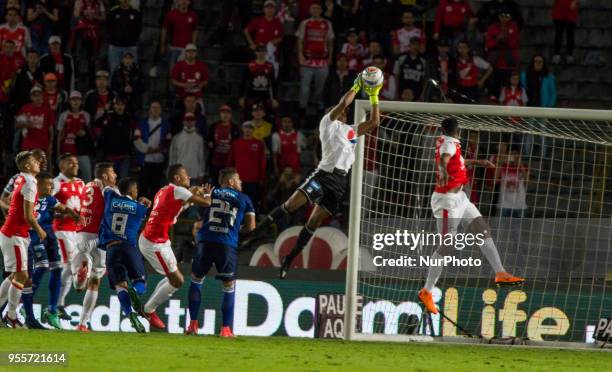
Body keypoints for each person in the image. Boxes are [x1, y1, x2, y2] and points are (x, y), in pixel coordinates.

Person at [244, 70, 381, 279]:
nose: (341, 113)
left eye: (341, 112)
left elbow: (374, 123)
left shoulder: (351, 131)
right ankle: (251, 235)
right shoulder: (327, 124)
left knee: (314, 223)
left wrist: (374, 95)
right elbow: (343, 104)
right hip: (322, 176)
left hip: (339, 182)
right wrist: (355, 87)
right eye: (338, 111)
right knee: (290, 205)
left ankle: (289, 259)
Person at [418, 118, 524, 315]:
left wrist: (479, 162)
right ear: (458, 130)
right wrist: (442, 172)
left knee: (482, 229)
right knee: (446, 246)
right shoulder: (448, 144)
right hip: (447, 200)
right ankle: (427, 290)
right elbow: (444, 160)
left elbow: (456, 160)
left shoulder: (446, 140)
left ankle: (500, 273)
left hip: (461, 198)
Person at [139, 164, 212, 330]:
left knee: (172, 277)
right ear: (177, 178)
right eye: (185, 175)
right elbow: (206, 203)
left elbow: (183, 200)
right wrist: (206, 194)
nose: (189, 177)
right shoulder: (179, 191)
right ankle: (148, 310)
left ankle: (149, 307)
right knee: (177, 280)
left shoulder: (164, 190)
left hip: (158, 239)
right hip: (154, 243)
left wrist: (194, 191)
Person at [186, 167, 256, 337]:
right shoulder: (244, 198)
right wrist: (237, 229)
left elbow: (191, 195)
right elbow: (252, 226)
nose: (241, 182)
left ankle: (192, 325)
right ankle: (225, 329)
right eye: (238, 179)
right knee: (228, 286)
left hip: (205, 241)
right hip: (226, 243)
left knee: (196, 280)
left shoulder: (213, 192)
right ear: (231, 181)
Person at [22, 172, 79, 329]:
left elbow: (62, 208)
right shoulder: (29, 198)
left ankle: (52, 310)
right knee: (42, 266)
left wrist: (75, 215)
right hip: (34, 236)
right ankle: (25, 301)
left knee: (57, 268)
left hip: (50, 237)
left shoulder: (50, 199)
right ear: (38, 185)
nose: (51, 186)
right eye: (48, 184)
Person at [98, 178, 151, 333]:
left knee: (120, 285)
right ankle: (135, 290)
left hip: (111, 250)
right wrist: (144, 204)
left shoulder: (110, 197)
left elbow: (107, 188)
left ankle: (129, 314)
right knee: (140, 282)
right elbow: (143, 214)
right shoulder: (139, 208)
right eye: (136, 190)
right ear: (133, 191)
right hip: (129, 248)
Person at [0, 151, 44, 327]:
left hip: (14, 233)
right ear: (27, 166)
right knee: (22, 275)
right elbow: (28, 216)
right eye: (35, 161)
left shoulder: (20, 178)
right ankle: (11, 316)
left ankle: (8, 314)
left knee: (15, 275)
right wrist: (40, 230)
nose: (39, 163)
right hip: (15, 234)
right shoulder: (29, 183)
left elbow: (10, 198)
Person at [73, 162, 117, 332]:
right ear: (105, 176)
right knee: (95, 281)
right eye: (113, 173)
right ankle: (83, 323)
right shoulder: (109, 190)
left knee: (78, 287)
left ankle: (78, 278)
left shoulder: (85, 186)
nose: (115, 176)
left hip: (81, 234)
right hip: (99, 237)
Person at [51, 153, 85, 319]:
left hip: (78, 231)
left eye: (76, 163)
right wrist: (62, 216)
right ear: (62, 166)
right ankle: (57, 305)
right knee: (70, 263)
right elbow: (45, 205)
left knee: (72, 266)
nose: (75, 165)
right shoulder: (56, 184)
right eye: (71, 163)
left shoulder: (80, 183)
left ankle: (59, 304)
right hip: (62, 230)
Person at [296, 2, 335, 116]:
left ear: (321, 10)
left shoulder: (327, 23)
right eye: (313, 8)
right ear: (310, 10)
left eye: (317, 8)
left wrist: (330, 57)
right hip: (307, 60)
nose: (315, 10)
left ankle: (317, 108)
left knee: (320, 88)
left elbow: (330, 41)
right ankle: (302, 109)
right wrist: (300, 55)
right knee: (305, 88)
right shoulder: (305, 23)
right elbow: (300, 40)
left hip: (322, 61)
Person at [134, 100, 172, 200]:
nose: (155, 110)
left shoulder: (166, 125)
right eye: (153, 107)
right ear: (149, 110)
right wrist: (147, 150)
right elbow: (137, 139)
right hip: (145, 160)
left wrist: (160, 149)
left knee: (156, 187)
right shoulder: (142, 123)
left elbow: (168, 140)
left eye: (158, 107)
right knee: (143, 186)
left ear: (161, 110)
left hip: (159, 161)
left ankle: (153, 209)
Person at [228, 122, 266, 211]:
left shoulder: (259, 143)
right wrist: (229, 176)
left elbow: (262, 161)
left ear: (253, 130)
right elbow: (230, 160)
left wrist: (262, 177)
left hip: (253, 178)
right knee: (237, 200)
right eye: (246, 127)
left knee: (252, 201)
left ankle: (252, 220)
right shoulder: (236, 143)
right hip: (238, 178)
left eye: (250, 128)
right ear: (242, 129)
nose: (248, 130)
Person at [57, 90, 94, 182]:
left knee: (87, 177)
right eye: (73, 99)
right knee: (66, 179)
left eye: (78, 99)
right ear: (69, 101)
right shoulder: (63, 115)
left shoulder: (86, 115)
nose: (75, 101)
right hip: (67, 151)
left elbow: (90, 134)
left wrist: (85, 133)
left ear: (81, 101)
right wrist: (58, 152)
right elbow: (59, 136)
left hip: (82, 151)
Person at [485, 8, 520, 99]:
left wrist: (506, 38)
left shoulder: (514, 26)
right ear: (499, 16)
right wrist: (498, 39)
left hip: (509, 64)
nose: (504, 18)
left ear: (510, 17)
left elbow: (514, 44)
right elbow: (488, 45)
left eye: (507, 16)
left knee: (507, 90)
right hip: (495, 64)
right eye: (502, 16)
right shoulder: (493, 27)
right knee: (494, 90)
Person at [0, 149, 47, 215]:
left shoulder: (50, 180)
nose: (44, 161)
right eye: (39, 158)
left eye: (45, 158)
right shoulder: (17, 178)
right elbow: (2, 200)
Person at [95, 96, 133, 178]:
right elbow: (97, 123)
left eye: (122, 104)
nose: (120, 107)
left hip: (124, 156)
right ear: (114, 105)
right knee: (110, 181)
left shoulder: (128, 117)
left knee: (123, 182)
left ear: (125, 106)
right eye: (117, 104)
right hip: (110, 157)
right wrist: (105, 112)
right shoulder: (109, 116)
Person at [15, 86, 55, 163]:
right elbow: (17, 124)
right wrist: (25, 124)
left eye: (39, 94)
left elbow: (51, 129)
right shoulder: (25, 108)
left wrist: (51, 144)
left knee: (41, 171)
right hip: (28, 145)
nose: (37, 97)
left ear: (42, 96)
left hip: (43, 145)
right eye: (34, 95)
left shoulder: (47, 109)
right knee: (29, 170)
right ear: (31, 97)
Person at [239, 44, 278, 115]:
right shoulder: (250, 65)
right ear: (256, 52)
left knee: (266, 117)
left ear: (266, 52)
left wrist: (275, 99)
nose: (261, 53)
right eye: (259, 51)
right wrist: (241, 97)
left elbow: (273, 83)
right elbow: (243, 82)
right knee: (249, 117)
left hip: (265, 97)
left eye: (263, 51)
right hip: (251, 96)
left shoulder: (270, 66)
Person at [168, 112, 206, 185]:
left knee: (192, 196)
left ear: (195, 122)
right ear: (184, 122)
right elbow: (172, 157)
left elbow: (201, 157)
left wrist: (201, 173)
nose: (189, 122)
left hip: (194, 174)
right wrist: (172, 173)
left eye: (191, 120)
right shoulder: (176, 138)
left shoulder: (199, 139)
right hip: (179, 175)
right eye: (187, 120)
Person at [160, 0, 198, 71]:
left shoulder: (193, 15)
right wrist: (162, 45)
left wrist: (193, 45)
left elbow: (195, 31)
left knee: (184, 72)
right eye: (181, 0)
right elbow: (164, 30)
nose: (183, 2)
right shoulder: (170, 14)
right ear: (177, 1)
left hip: (186, 49)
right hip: (173, 47)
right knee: (172, 71)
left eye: (186, 0)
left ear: (189, 2)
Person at [207, 105, 240, 185]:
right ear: (220, 115)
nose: (225, 115)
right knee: (215, 184)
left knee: (228, 186)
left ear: (231, 115)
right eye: (223, 113)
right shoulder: (213, 127)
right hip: (215, 162)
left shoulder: (235, 128)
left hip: (229, 163)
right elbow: (208, 141)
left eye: (227, 113)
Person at [106, 0, 142, 72]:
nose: (125, 0)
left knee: (131, 72)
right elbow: (108, 28)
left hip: (130, 47)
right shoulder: (113, 12)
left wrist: (133, 41)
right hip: (115, 47)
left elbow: (139, 29)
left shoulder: (136, 13)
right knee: (114, 70)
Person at [170, 43, 209, 108]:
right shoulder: (179, 65)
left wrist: (200, 85)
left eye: (193, 51)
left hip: (197, 97)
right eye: (188, 51)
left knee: (201, 114)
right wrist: (184, 84)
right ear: (185, 53)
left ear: (196, 53)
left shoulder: (201, 65)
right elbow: (172, 80)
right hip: (182, 97)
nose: (191, 54)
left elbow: (206, 80)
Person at [455, 39, 492, 103]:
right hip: (460, 88)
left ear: (468, 48)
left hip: (472, 88)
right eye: (460, 47)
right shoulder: (455, 61)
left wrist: (482, 80)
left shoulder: (475, 59)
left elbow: (490, 68)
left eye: (464, 47)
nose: (462, 49)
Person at [496, 148, 528, 217]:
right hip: (504, 204)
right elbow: (494, 180)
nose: (513, 156)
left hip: (520, 204)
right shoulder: (503, 166)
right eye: (511, 154)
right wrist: (500, 164)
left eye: (515, 154)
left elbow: (528, 181)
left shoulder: (524, 166)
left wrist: (520, 165)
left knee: (520, 227)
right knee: (499, 226)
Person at [110, 51, 142, 115]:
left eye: (130, 58)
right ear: (123, 59)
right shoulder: (117, 71)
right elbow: (113, 86)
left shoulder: (138, 71)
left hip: (134, 101)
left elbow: (143, 86)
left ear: (132, 60)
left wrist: (133, 89)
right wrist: (123, 90)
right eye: (126, 58)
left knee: (134, 121)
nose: (128, 60)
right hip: (121, 102)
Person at [551, 0, 578, 64]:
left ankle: (569, 55)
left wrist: (575, 1)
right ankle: (557, 55)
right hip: (560, 9)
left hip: (571, 10)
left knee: (570, 34)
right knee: (559, 34)